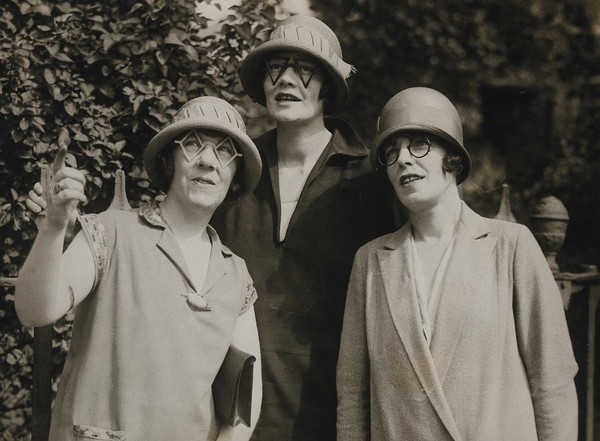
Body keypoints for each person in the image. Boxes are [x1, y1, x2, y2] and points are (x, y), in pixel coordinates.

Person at [336, 87, 579, 440]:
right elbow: (353, 399)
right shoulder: (371, 262)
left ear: (452, 157)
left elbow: (552, 383)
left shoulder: (510, 247)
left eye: (418, 145)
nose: (403, 159)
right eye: (391, 153)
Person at [16, 96, 263, 441]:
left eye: (224, 151)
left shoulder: (235, 274)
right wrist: (53, 230)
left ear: (235, 174)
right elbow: (34, 311)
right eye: (191, 145)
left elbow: (243, 405)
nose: (207, 161)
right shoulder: (110, 231)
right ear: (169, 160)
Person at [211, 15, 398, 441]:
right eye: (276, 67)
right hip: (235, 419)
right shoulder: (233, 171)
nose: (286, 79)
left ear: (328, 85)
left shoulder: (368, 180)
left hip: (333, 418)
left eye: (305, 68)